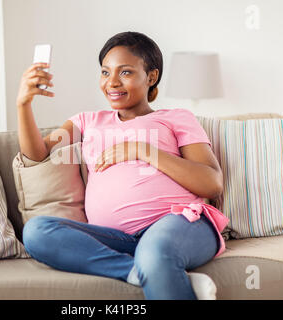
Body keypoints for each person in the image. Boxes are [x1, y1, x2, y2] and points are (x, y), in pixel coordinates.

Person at [16, 31, 229, 300]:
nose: (112, 82)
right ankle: (145, 272)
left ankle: (156, 264)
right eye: (105, 73)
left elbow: (211, 182)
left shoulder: (177, 118)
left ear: (151, 76)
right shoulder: (87, 121)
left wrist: (141, 150)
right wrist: (23, 104)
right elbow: (37, 155)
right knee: (36, 232)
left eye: (125, 72)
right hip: (117, 240)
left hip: (181, 224)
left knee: (155, 249)